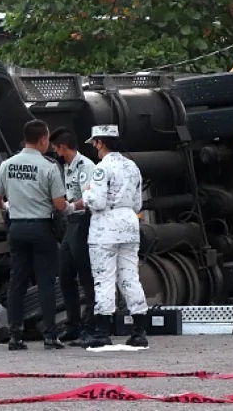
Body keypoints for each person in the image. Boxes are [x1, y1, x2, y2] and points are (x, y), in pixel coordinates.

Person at [0, 119, 71, 351]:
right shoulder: (48, 167)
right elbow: (58, 204)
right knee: (45, 281)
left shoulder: (7, 164)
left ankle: (15, 335)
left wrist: (10, 207)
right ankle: (50, 336)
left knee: (18, 281)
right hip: (42, 229)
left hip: (17, 228)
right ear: (44, 139)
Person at [81, 124, 149, 349]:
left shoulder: (101, 168)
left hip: (105, 227)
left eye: (94, 143)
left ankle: (102, 332)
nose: (93, 147)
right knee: (130, 276)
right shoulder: (132, 166)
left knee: (104, 277)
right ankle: (139, 331)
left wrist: (87, 193)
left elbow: (98, 202)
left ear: (100, 143)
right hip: (130, 224)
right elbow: (138, 202)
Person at [50, 127, 96, 347]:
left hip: (83, 221)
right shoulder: (66, 167)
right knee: (66, 274)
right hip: (71, 224)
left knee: (86, 275)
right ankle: (73, 325)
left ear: (63, 147)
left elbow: (88, 196)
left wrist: (69, 207)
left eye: (56, 148)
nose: (55, 152)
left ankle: (90, 326)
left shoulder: (85, 165)